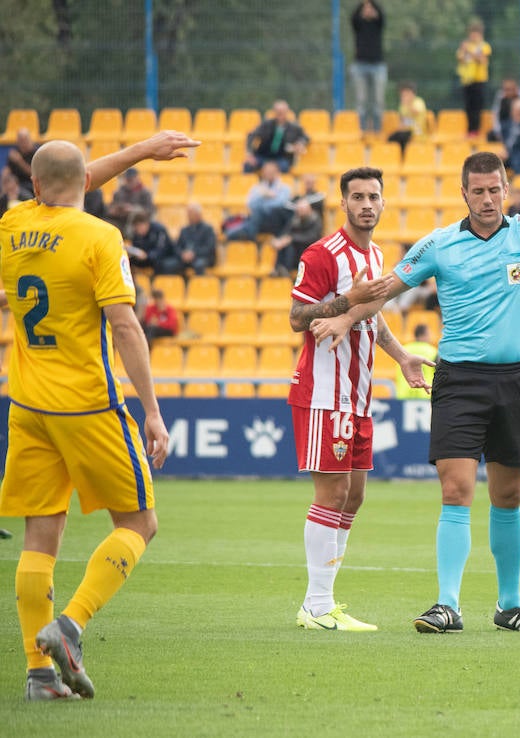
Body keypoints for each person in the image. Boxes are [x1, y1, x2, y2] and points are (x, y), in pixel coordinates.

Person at [311, 72, 520, 636]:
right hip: (458, 379)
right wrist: (342, 314)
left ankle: (510, 605)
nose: (487, 198)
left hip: (514, 381)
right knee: (456, 489)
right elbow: (385, 289)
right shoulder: (439, 244)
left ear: (506, 189)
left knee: (508, 494)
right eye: (477, 190)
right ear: (464, 194)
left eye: (495, 189)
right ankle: (447, 604)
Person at [1, 129, 197, 702]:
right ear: (86, 183)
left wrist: (136, 151)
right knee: (139, 524)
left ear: (32, 185)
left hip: (28, 405)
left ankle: (38, 674)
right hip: (88, 404)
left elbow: (70, 179)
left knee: (40, 537)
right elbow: (126, 324)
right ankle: (71, 625)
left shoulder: (13, 224)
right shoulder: (100, 237)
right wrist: (153, 412)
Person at [286, 167, 431, 631]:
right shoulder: (322, 254)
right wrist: (343, 302)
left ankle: (324, 600)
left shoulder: (377, 254)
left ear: (384, 203)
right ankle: (316, 604)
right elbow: (296, 317)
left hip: (359, 395)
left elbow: (373, 318)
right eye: (358, 197)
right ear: (342, 203)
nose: (366, 204)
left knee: (355, 496)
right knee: (332, 493)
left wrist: (402, 355)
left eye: (374, 196)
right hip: (324, 393)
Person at [226, 160, 294, 241]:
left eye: (271, 172)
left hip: (274, 221)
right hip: (259, 221)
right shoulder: (258, 188)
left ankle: (249, 234)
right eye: (266, 171)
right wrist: (263, 196)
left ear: (277, 172)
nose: (268, 174)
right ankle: (246, 233)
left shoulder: (284, 188)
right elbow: (250, 204)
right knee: (231, 232)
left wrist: (266, 200)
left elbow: (281, 204)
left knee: (258, 212)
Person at [243, 100, 310, 173]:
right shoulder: (266, 125)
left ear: (287, 112)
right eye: (278, 112)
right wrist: (250, 154)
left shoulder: (294, 127)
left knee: (284, 168)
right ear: (274, 112)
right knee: (248, 165)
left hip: (282, 158)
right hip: (263, 156)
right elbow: (251, 135)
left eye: (282, 112)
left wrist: (300, 143)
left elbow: (306, 137)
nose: (280, 114)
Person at [350, 0, 386, 134]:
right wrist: (362, 4)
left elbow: (382, 15)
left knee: (378, 100)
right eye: (366, 8)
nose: (368, 10)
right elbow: (353, 17)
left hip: (377, 65)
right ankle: (363, 129)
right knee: (361, 100)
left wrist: (372, 3)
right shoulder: (358, 25)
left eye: (371, 8)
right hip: (360, 66)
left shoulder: (378, 24)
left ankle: (377, 130)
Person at [455, 20, 491, 139]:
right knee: (468, 107)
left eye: (475, 33)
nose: (473, 36)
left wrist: (469, 51)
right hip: (467, 81)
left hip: (479, 80)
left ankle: (476, 130)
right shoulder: (465, 46)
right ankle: (470, 130)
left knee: (477, 107)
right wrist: (465, 50)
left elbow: (482, 60)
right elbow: (460, 59)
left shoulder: (484, 46)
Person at [271, 198, 323, 277]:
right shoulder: (295, 219)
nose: (300, 212)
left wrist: (291, 239)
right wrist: (279, 241)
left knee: (289, 244)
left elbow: (312, 237)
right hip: (296, 253)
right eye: (299, 209)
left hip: (310, 252)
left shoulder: (316, 219)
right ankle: (278, 268)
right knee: (283, 244)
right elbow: (287, 232)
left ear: (309, 209)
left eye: (302, 209)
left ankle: (285, 269)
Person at [396, 324, 439, 400]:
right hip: (425, 394)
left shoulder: (403, 350)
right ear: (422, 335)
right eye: (428, 334)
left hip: (403, 394)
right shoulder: (433, 351)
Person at [174, 202, 217, 276]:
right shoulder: (184, 230)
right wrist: (182, 254)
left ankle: (199, 286)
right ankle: (181, 285)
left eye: (191, 214)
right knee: (171, 264)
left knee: (199, 264)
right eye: (188, 214)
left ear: (198, 215)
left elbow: (210, 248)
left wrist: (194, 253)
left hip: (203, 257)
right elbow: (177, 247)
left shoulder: (208, 229)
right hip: (186, 258)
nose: (189, 216)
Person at [387, 82, 428, 153]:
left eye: (406, 94)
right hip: (407, 131)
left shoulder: (418, 101)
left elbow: (416, 111)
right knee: (392, 138)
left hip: (417, 132)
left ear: (412, 93)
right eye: (402, 95)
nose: (403, 96)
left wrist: (408, 103)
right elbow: (403, 122)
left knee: (402, 137)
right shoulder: (402, 106)